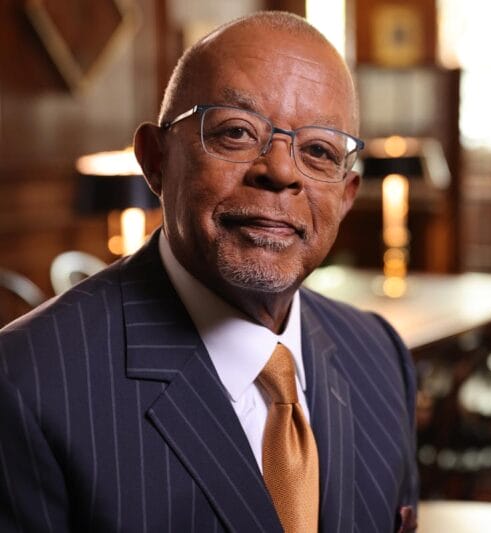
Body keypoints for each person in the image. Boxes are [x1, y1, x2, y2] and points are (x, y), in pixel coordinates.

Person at [0, 11, 418, 533]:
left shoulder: (379, 356)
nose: (282, 171)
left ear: (346, 196)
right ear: (155, 160)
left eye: (318, 151)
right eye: (237, 133)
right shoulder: (25, 383)